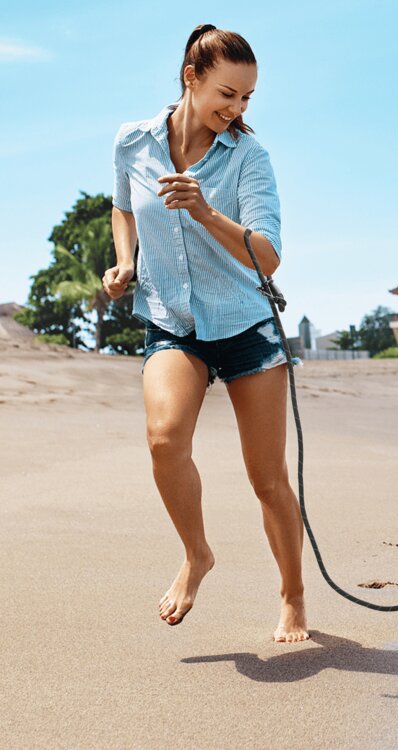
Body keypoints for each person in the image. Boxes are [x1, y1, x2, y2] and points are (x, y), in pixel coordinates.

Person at [102, 24, 308, 642]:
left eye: (246, 98)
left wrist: (205, 210)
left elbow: (267, 255)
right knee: (165, 441)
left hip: (247, 326)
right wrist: (126, 261)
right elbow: (121, 205)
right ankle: (197, 554)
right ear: (191, 77)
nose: (236, 109)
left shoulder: (249, 157)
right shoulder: (131, 141)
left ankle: (293, 595)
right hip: (172, 319)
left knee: (267, 478)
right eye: (227, 93)